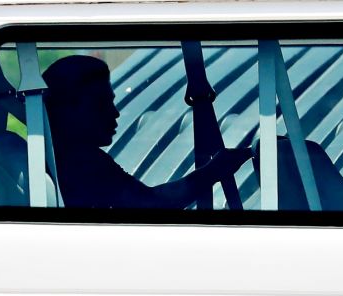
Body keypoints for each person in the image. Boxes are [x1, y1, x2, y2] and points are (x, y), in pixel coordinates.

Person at [43, 55, 251, 209]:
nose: (115, 113)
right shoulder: (81, 163)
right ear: (66, 111)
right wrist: (215, 169)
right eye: (100, 104)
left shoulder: (49, 158)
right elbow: (152, 203)